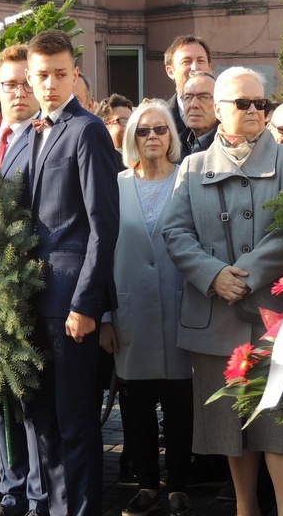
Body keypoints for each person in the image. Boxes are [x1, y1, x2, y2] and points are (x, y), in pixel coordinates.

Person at [163, 66, 283, 516]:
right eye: (244, 103)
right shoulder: (193, 167)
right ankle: (244, 507)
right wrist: (212, 274)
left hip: (275, 318)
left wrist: (248, 272)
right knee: (232, 423)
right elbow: (174, 231)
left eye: (261, 103)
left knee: (276, 422)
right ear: (218, 110)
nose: (255, 111)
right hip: (215, 315)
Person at [24, 29, 119, 516]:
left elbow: (104, 226)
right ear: (29, 77)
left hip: (70, 304)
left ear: (75, 74)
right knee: (43, 421)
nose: (51, 84)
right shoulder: (35, 131)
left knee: (75, 420)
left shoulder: (87, 130)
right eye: (42, 76)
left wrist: (87, 304)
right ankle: (56, 507)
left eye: (61, 74)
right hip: (33, 301)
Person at [99, 99, 194, 516]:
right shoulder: (114, 186)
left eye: (160, 129)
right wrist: (103, 316)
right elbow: (99, 255)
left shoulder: (189, 180)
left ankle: (178, 483)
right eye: (143, 131)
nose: (152, 137)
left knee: (180, 405)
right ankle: (146, 485)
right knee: (135, 405)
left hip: (182, 311)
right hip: (129, 311)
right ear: (131, 139)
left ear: (171, 136)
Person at [0, 44, 48, 516]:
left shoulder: (47, 138)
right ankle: (9, 490)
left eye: (27, 82)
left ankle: (38, 496)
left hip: (32, 291)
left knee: (31, 403)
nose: (19, 92)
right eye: (10, 84)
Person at [164, 35, 212, 135]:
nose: (194, 67)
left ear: (209, 68)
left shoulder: (226, 116)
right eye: (186, 62)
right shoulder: (160, 119)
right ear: (170, 72)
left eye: (201, 61)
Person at [179, 71, 218, 159]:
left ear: (218, 104)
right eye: (188, 97)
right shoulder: (173, 147)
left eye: (204, 97)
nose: (194, 104)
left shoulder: (229, 148)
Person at [95, 94, 133, 172]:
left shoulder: (140, 161)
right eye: (124, 121)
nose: (130, 127)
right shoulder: (97, 161)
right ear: (104, 125)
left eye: (133, 122)